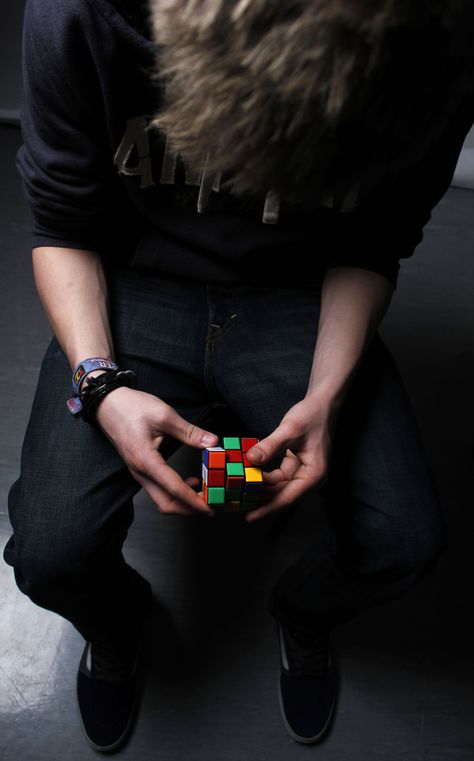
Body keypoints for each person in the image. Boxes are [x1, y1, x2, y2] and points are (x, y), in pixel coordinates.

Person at [4, 0, 474, 752]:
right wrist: (101, 383)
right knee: (49, 552)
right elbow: (62, 224)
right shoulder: (79, 15)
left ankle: (301, 613)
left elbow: (377, 240)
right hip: (134, 285)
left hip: (295, 295)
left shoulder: (437, 45)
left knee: (403, 539)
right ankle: (121, 622)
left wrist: (326, 393)